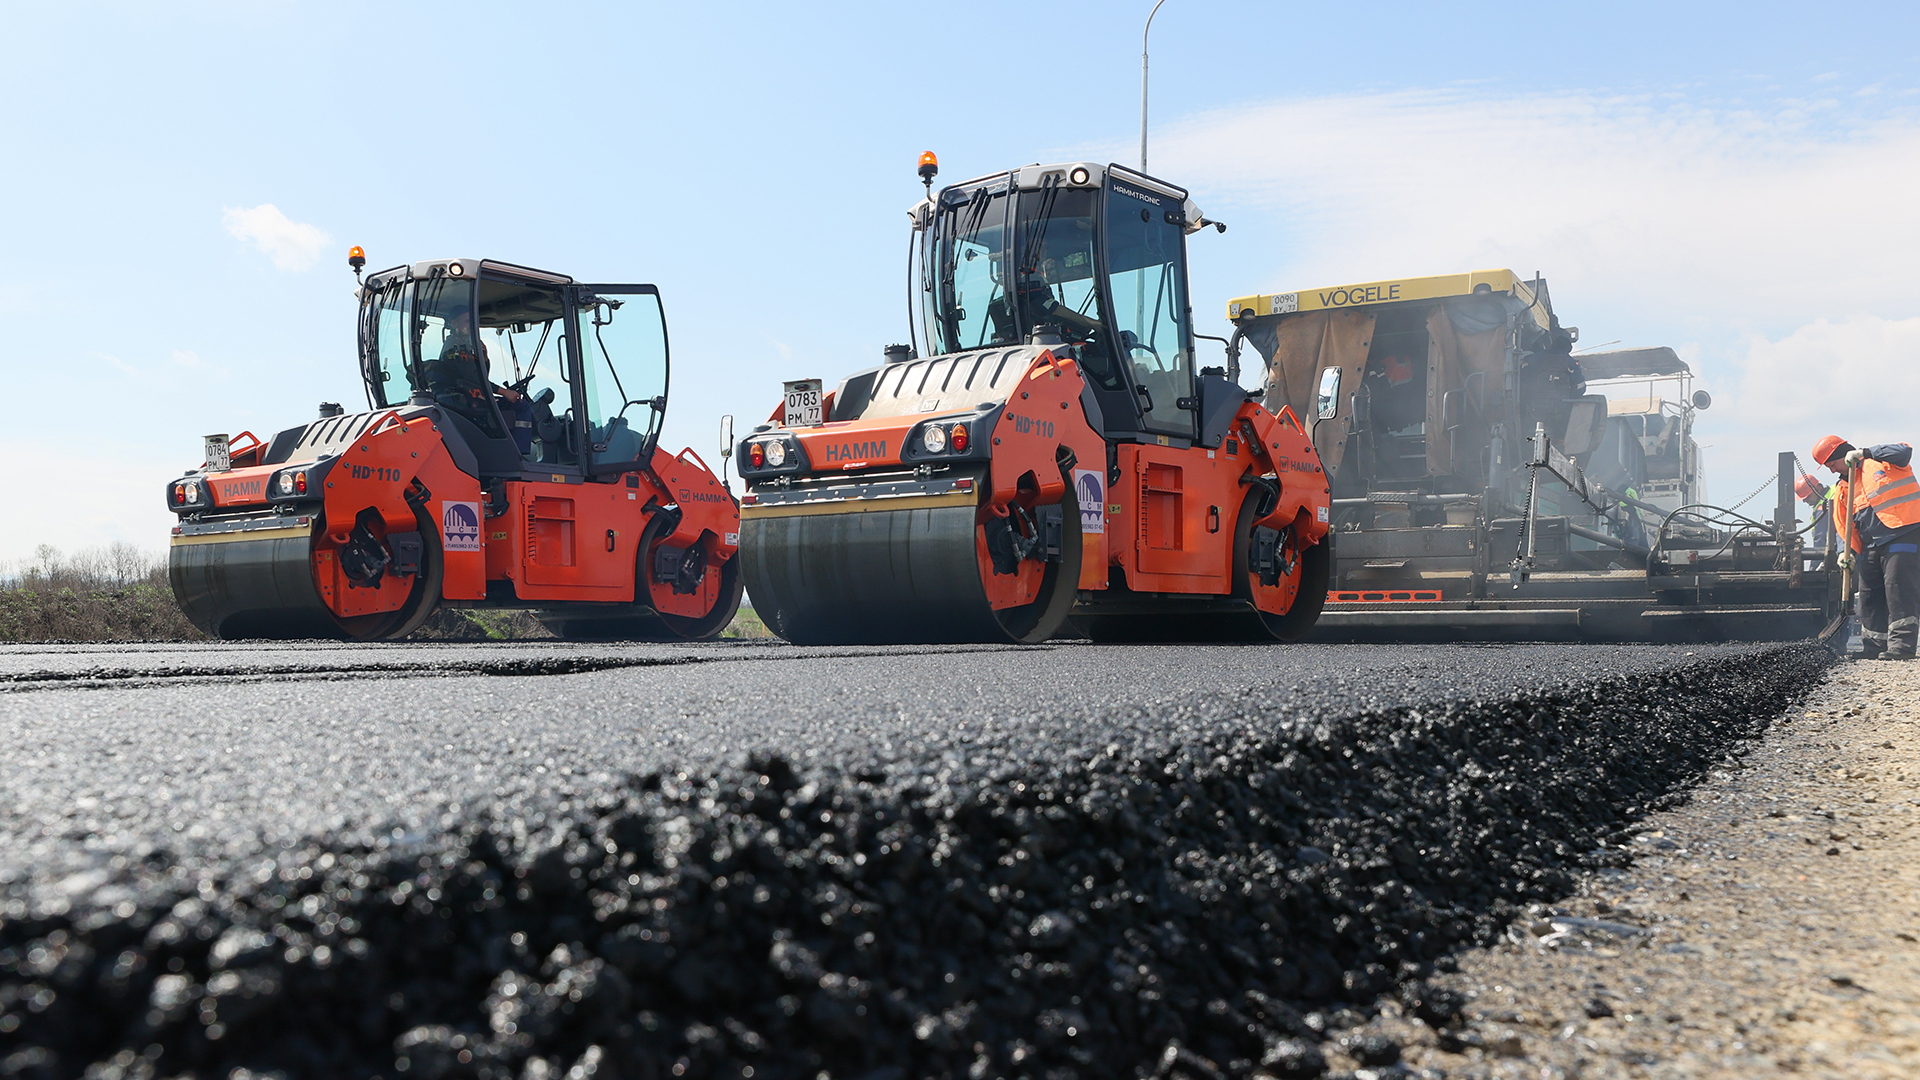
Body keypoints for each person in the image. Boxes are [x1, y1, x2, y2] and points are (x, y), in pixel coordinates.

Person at [1815, 434, 1920, 660]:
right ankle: (1873, 647)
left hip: (1902, 533)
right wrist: (1848, 552)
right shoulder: (1843, 488)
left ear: (1842, 455)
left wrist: (1866, 452)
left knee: (1898, 589)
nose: (1832, 471)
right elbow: (1845, 525)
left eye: (1832, 464)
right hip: (1870, 544)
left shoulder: (1882, 462)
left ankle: (1902, 646)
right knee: (1869, 595)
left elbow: (1904, 451)